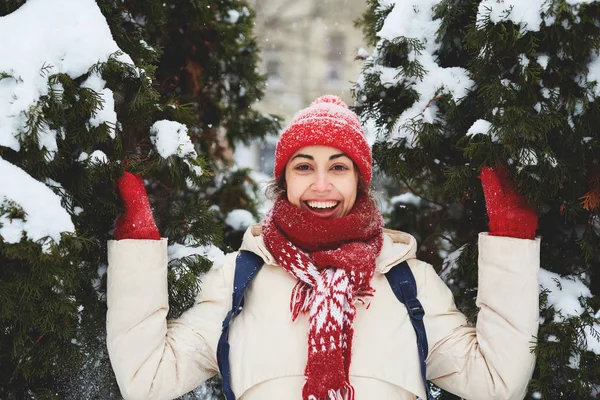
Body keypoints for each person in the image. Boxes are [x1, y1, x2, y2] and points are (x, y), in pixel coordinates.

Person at [106, 95, 540, 400]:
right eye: (303, 167)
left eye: (338, 167)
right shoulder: (240, 277)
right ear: (284, 181)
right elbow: (147, 380)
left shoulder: (407, 280)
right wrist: (137, 248)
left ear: (359, 182)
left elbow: (495, 382)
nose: (321, 184)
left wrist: (511, 242)